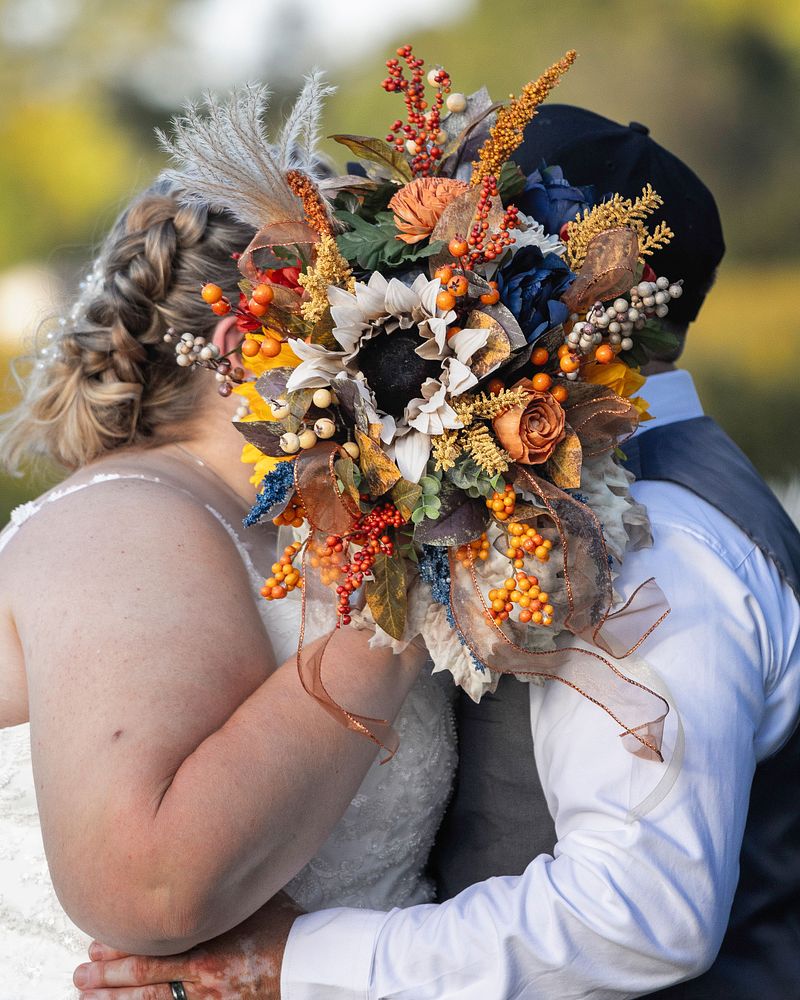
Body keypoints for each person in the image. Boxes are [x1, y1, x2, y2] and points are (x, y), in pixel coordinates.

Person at [77, 108, 800, 999]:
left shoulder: (648, 535)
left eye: (451, 247)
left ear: (540, 282)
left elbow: (641, 911)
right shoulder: (556, 487)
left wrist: (293, 963)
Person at [0, 176, 457, 999]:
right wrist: (401, 610)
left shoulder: (306, 524)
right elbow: (150, 888)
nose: (424, 368)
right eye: (368, 327)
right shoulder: (127, 525)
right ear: (246, 348)